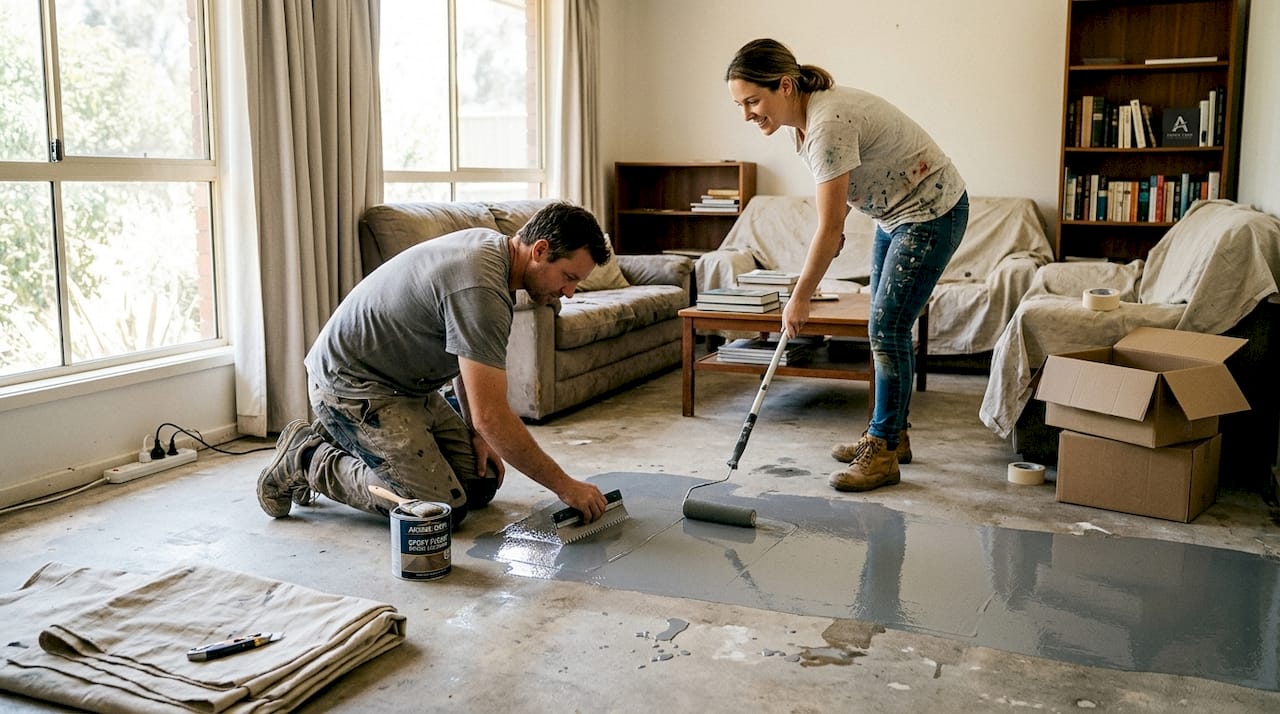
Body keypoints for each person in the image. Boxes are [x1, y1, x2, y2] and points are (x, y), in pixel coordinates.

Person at [256, 202, 612, 527]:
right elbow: (492, 416)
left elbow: (465, 361)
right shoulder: (481, 288)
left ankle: (345, 436)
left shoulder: (494, 252)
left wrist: (475, 433)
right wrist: (566, 487)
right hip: (353, 386)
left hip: (408, 386)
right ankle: (306, 457)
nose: (569, 293)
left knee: (480, 483)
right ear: (540, 250)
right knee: (438, 510)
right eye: (569, 277)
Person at [726, 38, 969, 493]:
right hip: (893, 214)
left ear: (783, 86)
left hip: (931, 210)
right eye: (739, 105)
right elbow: (837, 222)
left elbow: (828, 226)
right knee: (885, 326)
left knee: (886, 328)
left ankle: (882, 451)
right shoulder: (805, 123)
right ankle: (893, 435)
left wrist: (800, 298)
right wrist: (831, 236)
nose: (747, 114)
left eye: (753, 101)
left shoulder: (826, 124)